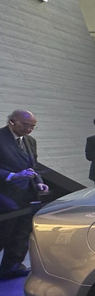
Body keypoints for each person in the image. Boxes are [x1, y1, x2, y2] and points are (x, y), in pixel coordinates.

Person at [0, 110, 48, 279]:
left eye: (33, 126)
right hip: (4, 196)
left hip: (27, 195)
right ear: (11, 122)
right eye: (26, 125)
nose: (29, 129)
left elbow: (33, 166)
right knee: (3, 233)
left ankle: (11, 267)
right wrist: (13, 176)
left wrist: (39, 182)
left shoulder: (30, 141)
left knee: (21, 234)